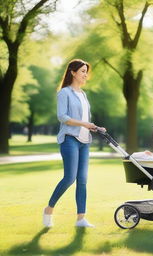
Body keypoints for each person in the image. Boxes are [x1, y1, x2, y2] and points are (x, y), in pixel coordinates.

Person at [43, 59, 106, 228]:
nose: (86, 74)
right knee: (69, 178)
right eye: (82, 71)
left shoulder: (83, 94)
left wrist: (93, 126)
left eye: (86, 71)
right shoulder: (65, 93)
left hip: (85, 141)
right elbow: (62, 117)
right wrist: (84, 124)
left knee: (82, 180)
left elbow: (85, 119)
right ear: (73, 72)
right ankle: (49, 209)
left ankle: (80, 219)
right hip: (69, 139)